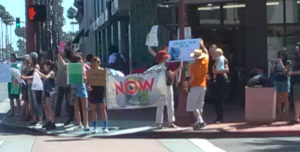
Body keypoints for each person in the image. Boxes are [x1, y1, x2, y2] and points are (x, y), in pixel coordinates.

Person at [58, 53, 89, 131]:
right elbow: (64, 64)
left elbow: (85, 77)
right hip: (74, 88)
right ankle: (79, 123)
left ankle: (86, 123)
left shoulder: (82, 67)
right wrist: (59, 55)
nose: (81, 61)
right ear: (77, 60)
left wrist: (82, 75)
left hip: (81, 87)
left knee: (84, 107)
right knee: (76, 106)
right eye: (80, 59)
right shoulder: (71, 66)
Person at [153, 48, 182, 129]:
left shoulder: (155, 68)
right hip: (167, 85)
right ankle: (171, 122)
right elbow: (171, 75)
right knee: (170, 104)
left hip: (158, 87)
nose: (167, 58)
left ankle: (159, 122)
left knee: (160, 105)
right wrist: (178, 69)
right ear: (163, 58)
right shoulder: (166, 66)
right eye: (166, 57)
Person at [186, 40, 209, 130]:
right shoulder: (206, 61)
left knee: (192, 105)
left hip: (195, 86)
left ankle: (200, 120)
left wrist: (187, 84)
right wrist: (202, 45)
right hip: (203, 85)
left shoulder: (193, 66)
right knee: (200, 105)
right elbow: (206, 52)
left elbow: (192, 78)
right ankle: (199, 121)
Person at [87, 56, 109, 133]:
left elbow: (106, 80)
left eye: (99, 62)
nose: (98, 63)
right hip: (93, 89)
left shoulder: (103, 71)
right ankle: (95, 127)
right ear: (93, 63)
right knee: (93, 109)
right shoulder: (89, 71)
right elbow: (87, 81)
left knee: (102, 108)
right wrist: (88, 86)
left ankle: (105, 126)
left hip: (100, 89)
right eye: (96, 62)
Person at [21, 52, 43, 125]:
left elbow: (34, 76)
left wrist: (25, 78)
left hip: (35, 86)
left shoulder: (36, 66)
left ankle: (40, 119)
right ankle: (34, 118)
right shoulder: (30, 66)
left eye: (30, 57)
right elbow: (25, 72)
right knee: (31, 102)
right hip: (29, 85)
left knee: (37, 102)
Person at [35, 60, 56, 130]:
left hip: (50, 91)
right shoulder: (45, 72)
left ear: (49, 66)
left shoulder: (52, 72)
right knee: (45, 107)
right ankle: (49, 121)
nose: (44, 67)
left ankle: (52, 122)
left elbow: (46, 77)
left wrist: (38, 72)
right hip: (45, 91)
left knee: (50, 107)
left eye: (45, 65)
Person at [55, 51, 73, 126]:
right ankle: (57, 112)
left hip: (66, 83)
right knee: (59, 99)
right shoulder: (57, 61)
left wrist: (60, 57)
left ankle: (70, 115)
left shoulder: (67, 61)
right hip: (60, 82)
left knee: (68, 100)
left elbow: (64, 66)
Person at [272, 50, 292, 121]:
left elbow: (285, 72)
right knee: (278, 99)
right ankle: (280, 116)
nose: (280, 56)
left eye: (282, 55)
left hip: (284, 81)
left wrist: (281, 64)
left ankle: (286, 115)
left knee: (286, 99)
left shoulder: (288, 62)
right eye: (279, 55)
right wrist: (274, 66)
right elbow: (274, 71)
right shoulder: (277, 62)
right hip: (277, 81)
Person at [212, 48, 229, 123]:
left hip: (221, 79)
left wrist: (217, 72)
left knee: (220, 99)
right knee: (215, 100)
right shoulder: (216, 61)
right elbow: (213, 71)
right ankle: (218, 116)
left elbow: (226, 70)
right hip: (216, 80)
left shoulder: (223, 60)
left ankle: (220, 117)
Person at [289, 44, 300, 123]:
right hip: (295, 82)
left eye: (298, 47)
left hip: (298, 81)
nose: (296, 48)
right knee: (296, 100)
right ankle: (297, 117)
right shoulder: (295, 59)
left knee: (297, 100)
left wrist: (292, 72)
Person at [19, 54, 31, 122]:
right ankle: (26, 114)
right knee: (25, 101)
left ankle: (28, 115)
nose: (23, 62)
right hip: (24, 84)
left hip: (27, 84)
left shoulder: (29, 67)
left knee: (28, 101)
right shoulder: (22, 66)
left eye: (24, 60)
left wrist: (22, 75)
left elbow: (25, 75)